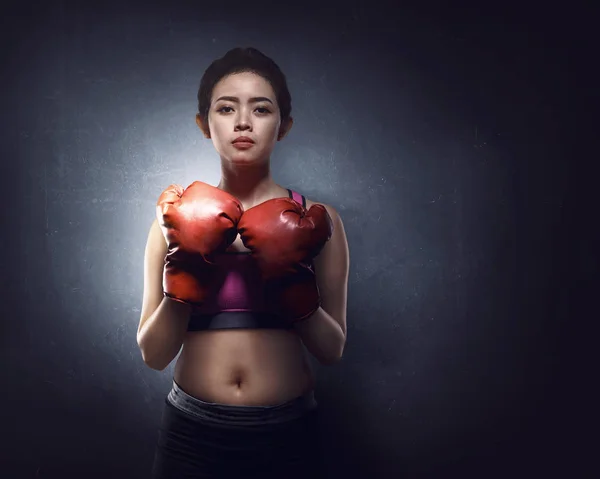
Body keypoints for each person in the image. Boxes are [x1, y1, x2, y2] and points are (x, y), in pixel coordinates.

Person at [137, 47, 350, 479]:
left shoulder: (317, 219)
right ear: (204, 123)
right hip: (190, 435)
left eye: (262, 108)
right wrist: (188, 268)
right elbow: (154, 354)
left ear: (284, 126)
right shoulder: (172, 217)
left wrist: (291, 283)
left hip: (289, 434)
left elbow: (332, 349)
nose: (243, 122)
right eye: (226, 107)